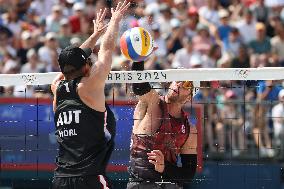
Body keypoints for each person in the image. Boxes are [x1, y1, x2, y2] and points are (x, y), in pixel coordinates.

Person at [50, 1, 130, 189]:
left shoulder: (56, 87)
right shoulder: (89, 85)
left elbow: (70, 65)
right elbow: (107, 49)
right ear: (86, 66)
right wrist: (115, 21)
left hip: (60, 179)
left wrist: (94, 35)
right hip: (89, 178)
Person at [127, 60, 198, 189]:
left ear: (190, 97)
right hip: (142, 182)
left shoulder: (189, 130)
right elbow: (139, 86)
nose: (179, 84)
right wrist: (139, 57)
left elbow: (188, 174)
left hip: (170, 184)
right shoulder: (153, 102)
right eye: (178, 79)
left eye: (187, 84)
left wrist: (164, 166)